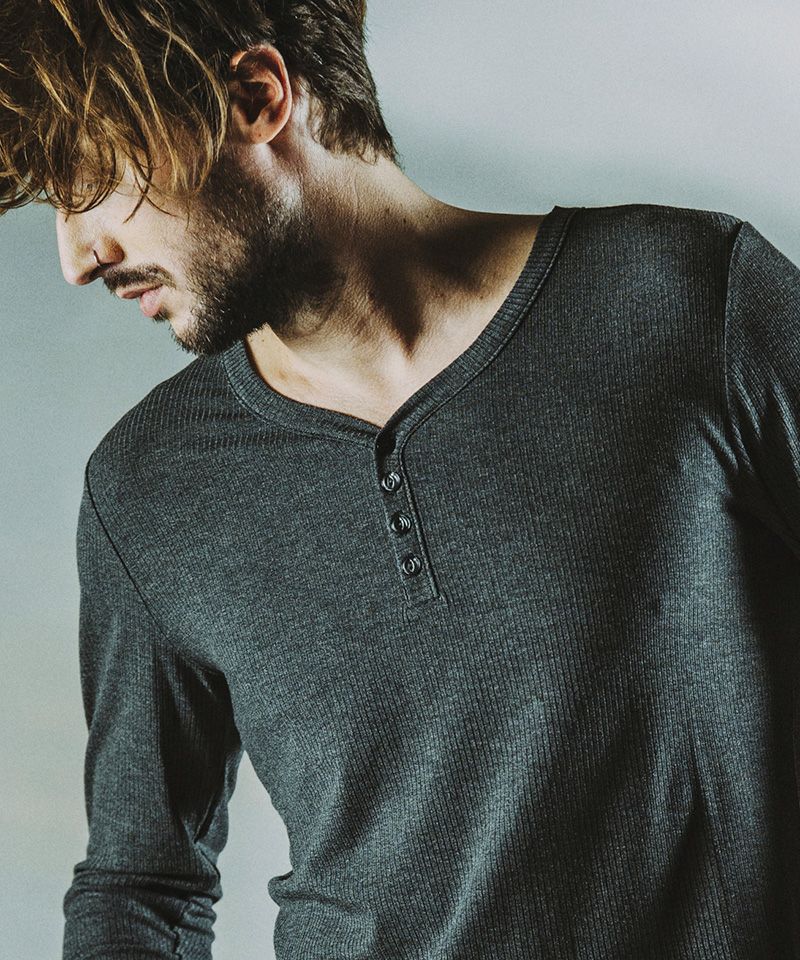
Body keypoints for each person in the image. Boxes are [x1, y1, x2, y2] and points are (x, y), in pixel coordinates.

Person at [3, 1, 800, 958]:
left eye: (92, 182)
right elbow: (141, 889)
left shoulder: (695, 303)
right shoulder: (146, 487)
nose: (75, 258)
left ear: (257, 98)